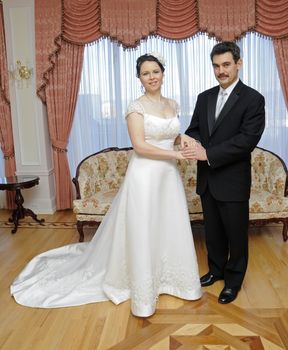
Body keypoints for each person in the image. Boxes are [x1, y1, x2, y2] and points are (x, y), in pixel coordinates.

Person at [10, 53, 202, 318]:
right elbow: (141, 146)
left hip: (168, 177)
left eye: (155, 71)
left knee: (168, 223)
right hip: (145, 175)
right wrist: (176, 155)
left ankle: (173, 281)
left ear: (163, 73)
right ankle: (143, 291)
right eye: (146, 73)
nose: (152, 77)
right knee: (144, 226)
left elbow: (170, 133)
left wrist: (185, 139)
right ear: (139, 78)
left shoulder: (172, 104)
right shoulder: (136, 107)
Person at [182, 41, 265, 304]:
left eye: (226, 65)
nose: (221, 71)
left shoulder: (253, 99)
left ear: (238, 64)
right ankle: (215, 271)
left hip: (233, 181)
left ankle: (233, 281)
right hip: (208, 180)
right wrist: (190, 141)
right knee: (213, 232)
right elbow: (195, 129)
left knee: (236, 236)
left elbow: (247, 140)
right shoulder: (204, 97)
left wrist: (209, 154)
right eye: (216, 66)